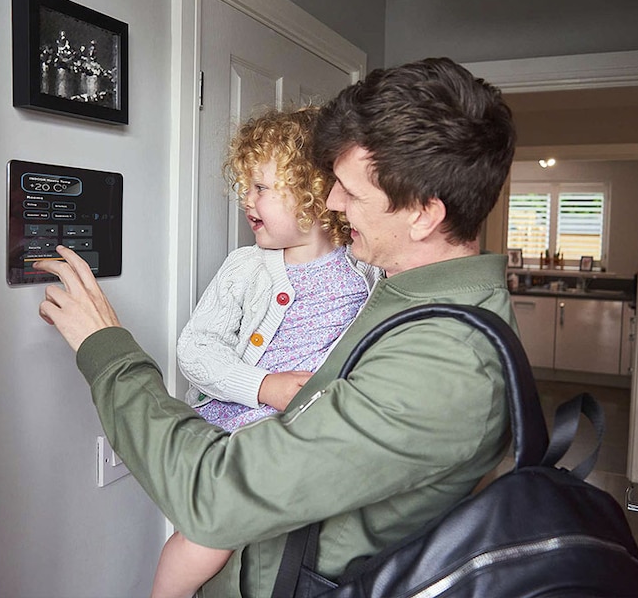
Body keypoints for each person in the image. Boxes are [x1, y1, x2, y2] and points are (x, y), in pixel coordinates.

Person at [35, 56, 517, 598]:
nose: (331, 202)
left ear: (424, 214)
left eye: (351, 192)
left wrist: (104, 348)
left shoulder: (446, 363)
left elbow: (215, 496)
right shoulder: (406, 294)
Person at [152, 107, 381, 598]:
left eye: (260, 187)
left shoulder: (366, 271)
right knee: (208, 538)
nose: (246, 199)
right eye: (246, 186)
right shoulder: (246, 268)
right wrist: (263, 386)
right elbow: (195, 349)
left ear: (315, 192)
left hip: (309, 438)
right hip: (241, 427)